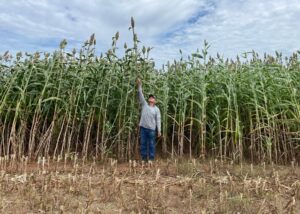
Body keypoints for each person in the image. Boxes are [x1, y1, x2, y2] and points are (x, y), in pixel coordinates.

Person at [136, 78, 161, 161]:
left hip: (151, 130)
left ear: (155, 100)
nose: (151, 98)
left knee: (151, 144)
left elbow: (158, 120)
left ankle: (151, 159)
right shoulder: (144, 105)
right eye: (150, 97)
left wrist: (159, 131)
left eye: (152, 97)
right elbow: (140, 94)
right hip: (143, 128)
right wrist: (139, 85)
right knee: (143, 144)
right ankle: (144, 159)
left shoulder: (156, 109)